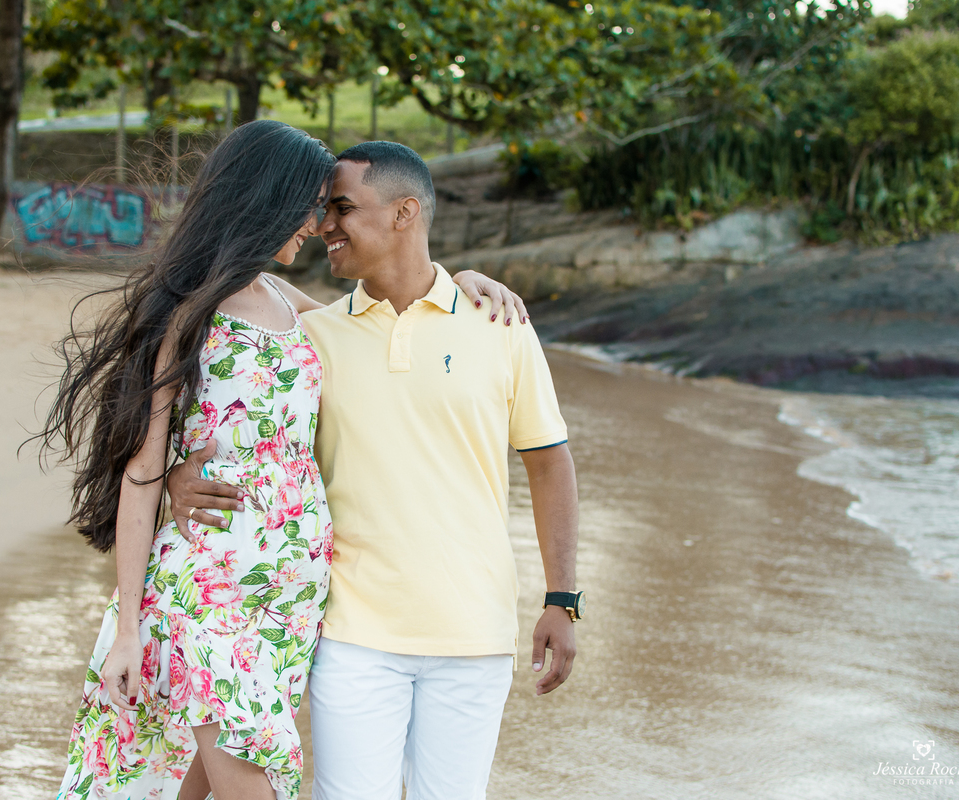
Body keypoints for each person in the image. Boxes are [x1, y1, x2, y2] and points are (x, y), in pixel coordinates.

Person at [38, 120, 528, 800]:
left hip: (289, 594)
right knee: (253, 781)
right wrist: (127, 631)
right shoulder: (187, 312)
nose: (320, 225)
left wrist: (460, 286)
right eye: (313, 206)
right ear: (268, 200)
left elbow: (387, 324)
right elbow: (142, 471)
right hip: (208, 580)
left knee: (197, 782)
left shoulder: (288, 302)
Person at [168, 141, 581, 800]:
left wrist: (561, 598)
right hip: (351, 636)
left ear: (403, 212)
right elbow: (244, 417)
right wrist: (176, 476)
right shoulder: (316, 336)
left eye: (341, 208)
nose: (323, 225)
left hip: (474, 635)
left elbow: (549, 462)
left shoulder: (499, 323)